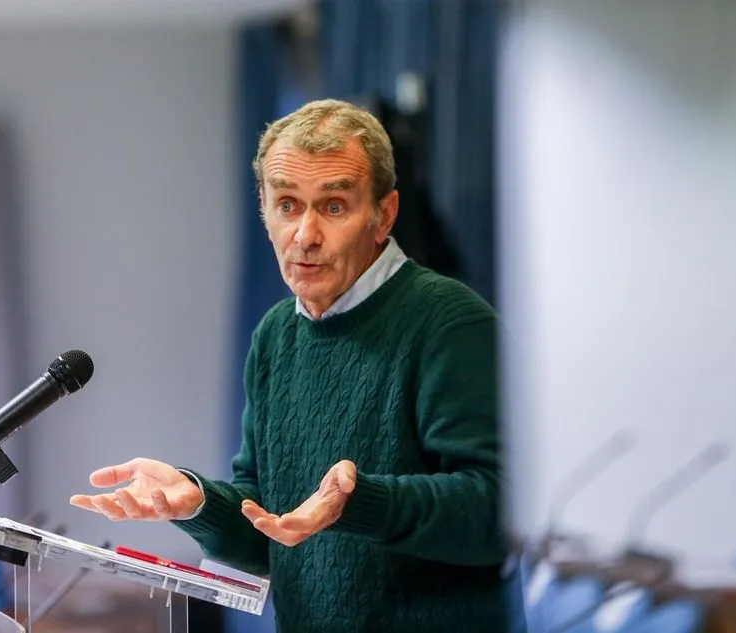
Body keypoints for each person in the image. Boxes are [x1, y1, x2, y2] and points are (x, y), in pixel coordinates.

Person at [70, 98, 509, 633]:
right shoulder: (277, 335)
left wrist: (359, 503)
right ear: (264, 208)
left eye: (333, 206)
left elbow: (499, 512)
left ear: (383, 215)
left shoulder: (449, 324)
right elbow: (269, 533)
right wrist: (198, 503)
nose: (304, 235)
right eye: (287, 205)